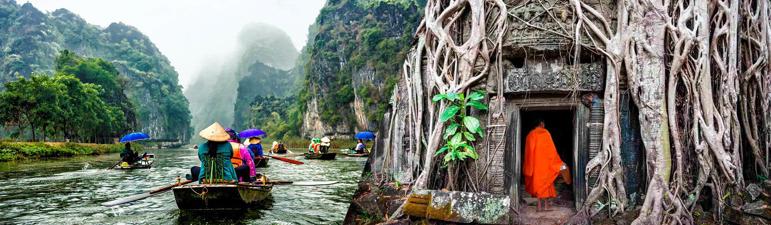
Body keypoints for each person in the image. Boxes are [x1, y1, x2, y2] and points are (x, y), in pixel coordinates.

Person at [523, 118, 566, 211]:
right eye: (544, 123)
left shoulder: (530, 135)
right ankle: (546, 207)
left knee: (538, 185)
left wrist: (529, 166)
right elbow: (551, 151)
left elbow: (528, 153)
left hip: (535, 165)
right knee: (547, 184)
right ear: (541, 123)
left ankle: (539, 207)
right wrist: (557, 162)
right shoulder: (545, 133)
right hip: (545, 165)